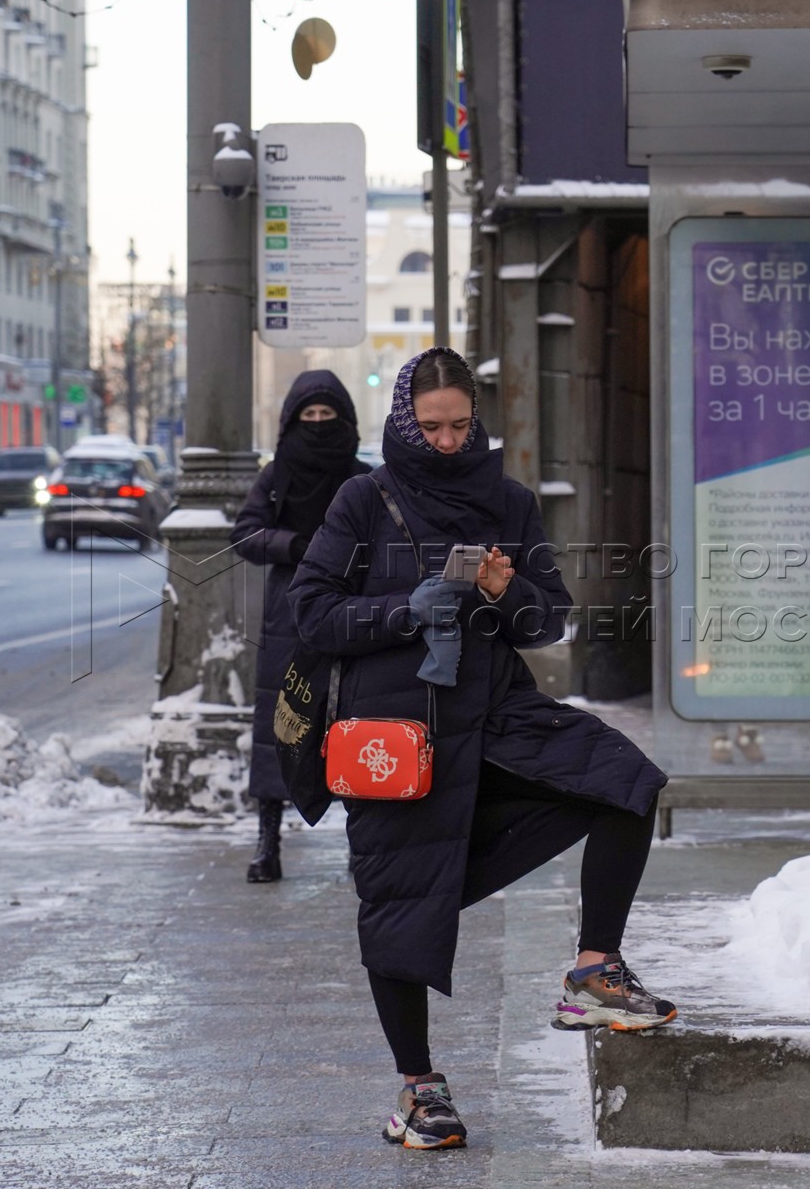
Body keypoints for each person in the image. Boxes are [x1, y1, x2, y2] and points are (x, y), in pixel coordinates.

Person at [289, 347, 675, 1151]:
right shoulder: (364, 500)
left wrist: (504, 590)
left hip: (497, 715)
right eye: (430, 426)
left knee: (627, 782)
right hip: (395, 736)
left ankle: (593, 971)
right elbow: (313, 613)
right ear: (404, 421)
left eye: (460, 425)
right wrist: (406, 609)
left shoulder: (507, 501)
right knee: (400, 903)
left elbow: (546, 623)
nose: (446, 441)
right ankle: (420, 1091)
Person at [230, 370, 368, 883]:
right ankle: (268, 842)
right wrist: (294, 546)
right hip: (288, 615)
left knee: (355, 721)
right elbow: (245, 534)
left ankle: (361, 844)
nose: (318, 423)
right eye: (308, 415)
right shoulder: (276, 475)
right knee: (280, 725)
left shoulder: (361, 476)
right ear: (292, 420)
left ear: (344, 418)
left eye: (327, 414)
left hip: (352, 608)